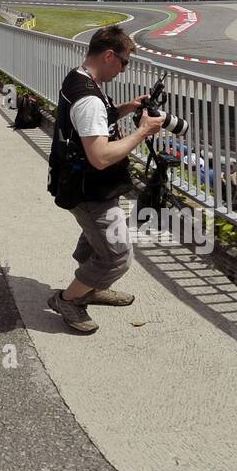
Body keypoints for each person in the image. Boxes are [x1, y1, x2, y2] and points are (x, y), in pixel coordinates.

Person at [44, 25, 164, 335]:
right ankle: (69, 300)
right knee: (116, 256)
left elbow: (98, 120)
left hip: (90, 185)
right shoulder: (89, 100)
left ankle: (89, 287)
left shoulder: (80, 78)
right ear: (109, 55)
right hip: (90, 190)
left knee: (97, 241)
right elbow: (99, 156)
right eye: (124, 63)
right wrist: (143, 131)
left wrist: (127, 109)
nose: (125, 70)